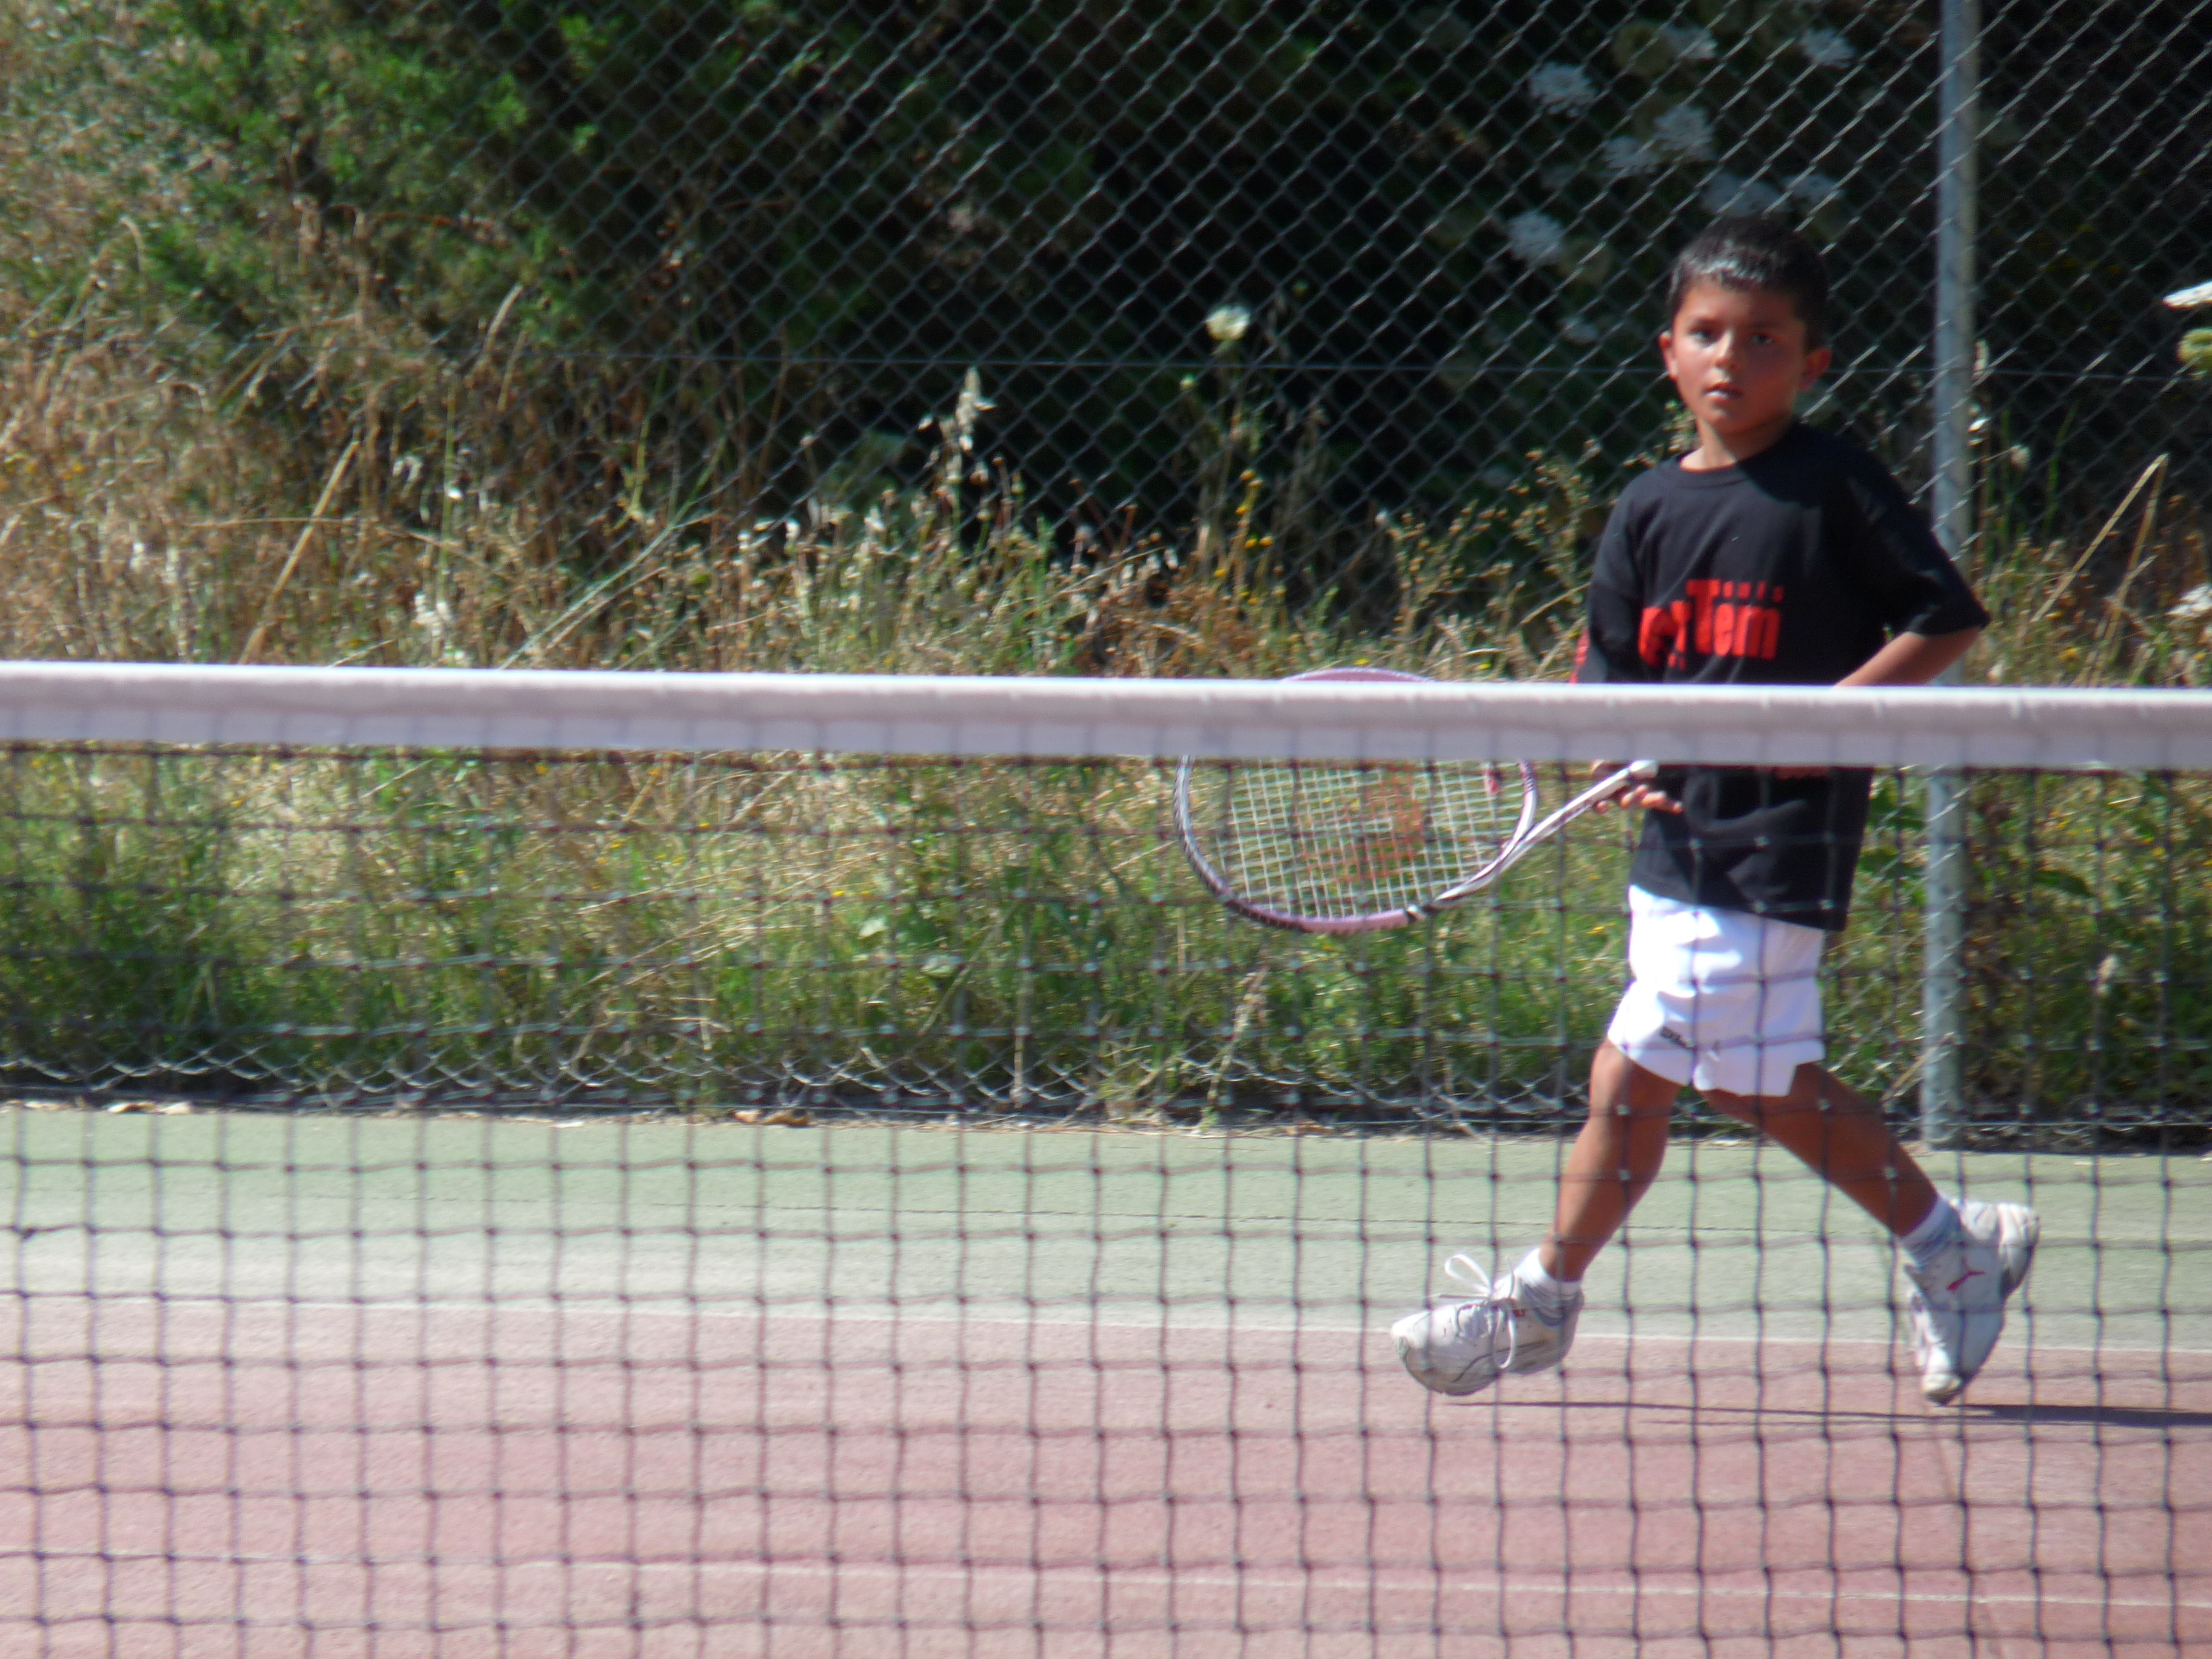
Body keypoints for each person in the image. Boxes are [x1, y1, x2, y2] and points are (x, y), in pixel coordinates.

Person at [1392, 216, 2037, 1407]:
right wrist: (1594, 747)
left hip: (1785, 840)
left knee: (1653, 1067)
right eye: (1707, 334)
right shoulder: (1647, 506)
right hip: (1675, 848)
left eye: (1764, 339)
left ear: (1812, 362)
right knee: (1715, 1083)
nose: (1732, 357)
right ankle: (1957, 1249)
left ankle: (1537, 1303)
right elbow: (1614, 671)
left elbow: (1945, 616)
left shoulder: (1832, 485)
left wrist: (1822, 724)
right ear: (1669, 352)